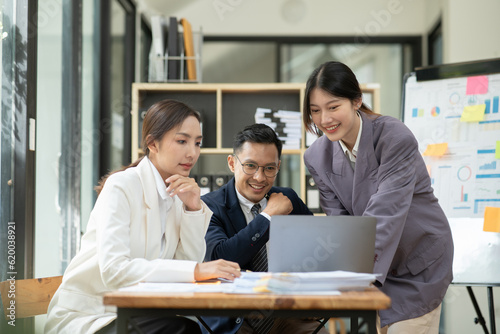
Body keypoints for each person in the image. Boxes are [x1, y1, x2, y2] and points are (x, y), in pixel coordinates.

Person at [44, 99, 241, 334]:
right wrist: (197, 270)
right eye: (182, 141)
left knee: (190, 329)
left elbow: (183, 270)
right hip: (92, 317)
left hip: (141, 315)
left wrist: (192, 210)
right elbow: (114, 271)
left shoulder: (179, 194)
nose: (192, 153)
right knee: (183, 331)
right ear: (152, 143)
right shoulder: (122, 186)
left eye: (197, 143)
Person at [302, 61, 454, 334]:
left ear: (357, 101)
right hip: (368, 269)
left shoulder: (394, 137)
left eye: (333, 107)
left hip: (416, 265)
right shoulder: (316, 156)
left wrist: (356, 277)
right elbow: (340, 222)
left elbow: (385, 213)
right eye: (315, 110)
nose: (324, 119)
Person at [200, 123, 328, 334]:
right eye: (250, 166)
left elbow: (320, 245)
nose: (260, 177)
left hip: (286, 313)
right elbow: (220, 257)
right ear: (232, 163)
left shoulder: (288, 198)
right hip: (234, 319)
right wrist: (268, 216)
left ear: (278, 167)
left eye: (269, 168)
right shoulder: (210, 206)